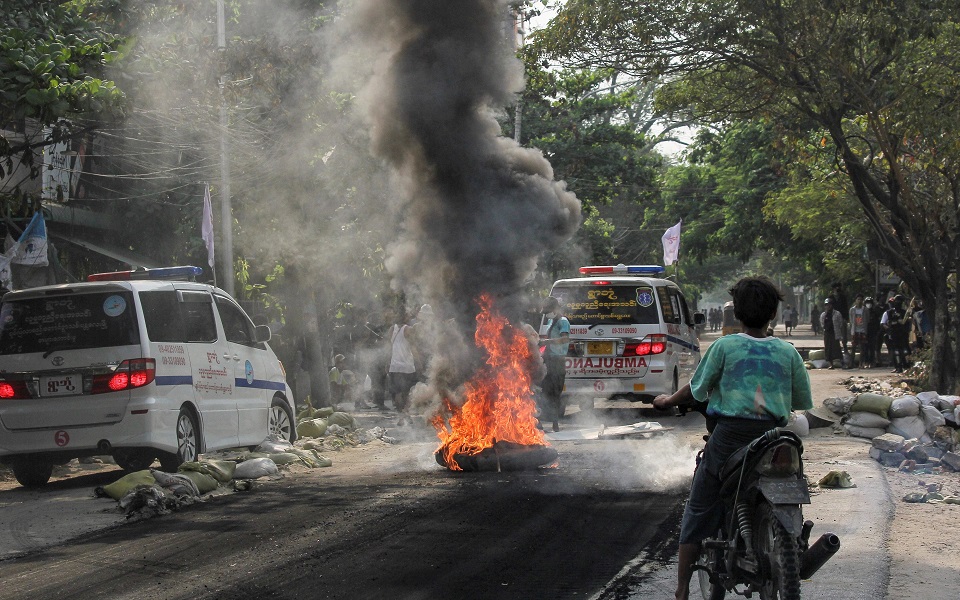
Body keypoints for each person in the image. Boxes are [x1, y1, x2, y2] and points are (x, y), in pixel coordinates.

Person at [653, 276, 812, 600]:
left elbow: (697, 389)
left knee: (698, 505)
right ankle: (795, 542)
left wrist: (668, 401)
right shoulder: (788, 352)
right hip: (775, 438)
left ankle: (682, 589)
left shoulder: (725, 347)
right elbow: (800, 402)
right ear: (774, 314)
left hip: (729, 439)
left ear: (737, 313)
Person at [539, 296, 570, 432]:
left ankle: (555, 424)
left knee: (555, 394)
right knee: (543, 392)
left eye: (548, 311)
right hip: (548, 360)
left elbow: (564, 339)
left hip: (558, 361)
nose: (547, 314)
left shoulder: (563, 322)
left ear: (555, 309)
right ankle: (539, 422)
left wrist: (548, 342)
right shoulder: (550, 321)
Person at [387, 310, 419, 425]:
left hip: (394, 365)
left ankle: (401, 416)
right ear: (405, 317)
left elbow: (388, 347)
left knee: (397, 392)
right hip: (407, 366)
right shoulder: (408, 329)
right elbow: (413, 346)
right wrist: (419, 361)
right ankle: (406, 414)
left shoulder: (392, 330)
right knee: (408, 392)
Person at [881, 295, 910, 373]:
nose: (898, 303)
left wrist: (903, 324)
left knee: (905, 350)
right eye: (897, 301)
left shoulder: (905, 312)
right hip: (893, 334)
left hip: (902, 334)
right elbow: (883, 323)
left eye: (900, 301)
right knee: (895, 351)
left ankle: (907, 366)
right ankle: (898, 367)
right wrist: (889, 328)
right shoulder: (889, 312)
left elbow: (908, 323)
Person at [820, 299, 844, 369]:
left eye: (829, 305)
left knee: (837, 348)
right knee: (828, 349)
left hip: (835, 333)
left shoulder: (837, 314)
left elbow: (840, 323)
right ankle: (831, 364)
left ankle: (842, 362)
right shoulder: (823, 315)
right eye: (827, 305)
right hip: (827, 333)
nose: (828, 306)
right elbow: (822, 324)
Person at [848, 295, 869, 368]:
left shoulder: (865, 310)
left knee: (862, 348)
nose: (859, 301)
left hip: (863, 330)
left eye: (861, 299)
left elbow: (867, 319)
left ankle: (861, 363)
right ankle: (851, 363)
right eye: (858, 299)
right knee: (853, 348)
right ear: (855, 300)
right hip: (855, 330)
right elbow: (851, 320)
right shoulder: (852, 310)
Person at [863, 296, 881, 368]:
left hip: (872, 332)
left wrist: (877, 331)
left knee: (872, 348)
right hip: (864, 332)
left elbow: (877, 323)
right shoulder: (863, 312)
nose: (868, 304)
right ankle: (865, 362)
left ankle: (872, 362)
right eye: (867, 303)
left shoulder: (875, 312)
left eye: (870, 303)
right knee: (865, 348)